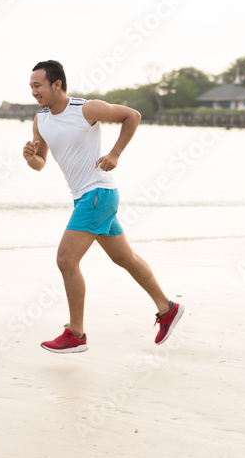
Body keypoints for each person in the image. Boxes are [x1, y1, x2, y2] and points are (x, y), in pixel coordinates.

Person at [22, 60, 184, 353]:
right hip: (88, 197)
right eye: (31, 86)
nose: (33, 92)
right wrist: (30, 157)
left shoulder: (85, 109)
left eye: (38, 86)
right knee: (125, 258)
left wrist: (115, 153)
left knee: (66, 260)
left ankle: (76, 334)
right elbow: (40, 163)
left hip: (97, 193)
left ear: (57, 85)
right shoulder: (41, 119)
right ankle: (167, 308)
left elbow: (132, 116)